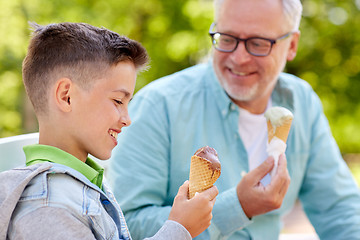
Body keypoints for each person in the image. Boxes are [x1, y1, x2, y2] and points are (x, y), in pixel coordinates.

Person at [108, 0, 360, 239]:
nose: (239, 58)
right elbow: (126, 224)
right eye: (227, 39)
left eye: (258, 43)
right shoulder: (158, 106)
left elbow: (339, 210)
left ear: (292, 44)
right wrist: (237, 207)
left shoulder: (302, 102)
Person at [0, 22, 218, 240]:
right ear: (66, 96)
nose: (127, 119)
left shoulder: (84, 183)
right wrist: (179, 229)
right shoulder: (48, 207)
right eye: (117, 101)